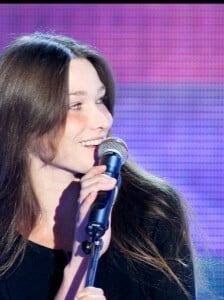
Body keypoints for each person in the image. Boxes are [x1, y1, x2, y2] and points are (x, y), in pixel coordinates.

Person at [0, 31, 198, 300]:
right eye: (76, 105)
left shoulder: (152, 212)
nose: (103, 119)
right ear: (23, 119)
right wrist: (82, 258)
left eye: (101, 100)